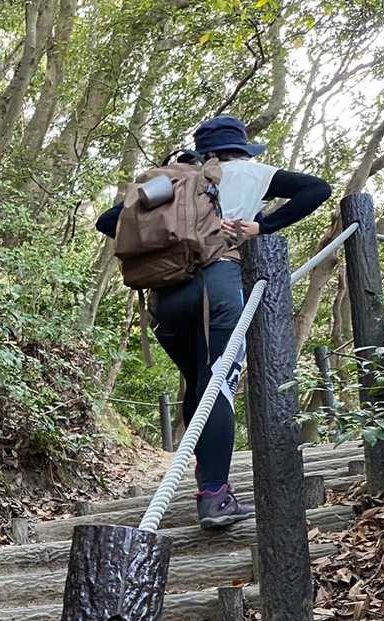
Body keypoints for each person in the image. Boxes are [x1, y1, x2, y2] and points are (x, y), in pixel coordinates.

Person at [97, 115, 331, 529]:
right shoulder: (249, 173)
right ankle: (215, 497)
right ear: (240, 148)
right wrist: (262, 226)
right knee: (218, 383)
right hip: (218, 285)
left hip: (166, 295)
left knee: (197, 384)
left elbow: (107, 221)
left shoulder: (171, 179)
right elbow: (317, 189)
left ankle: (208, 485)